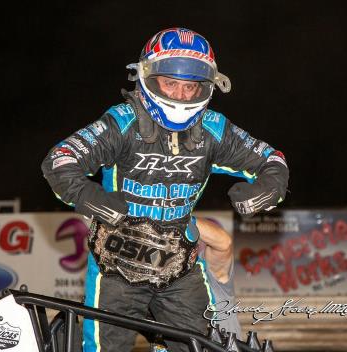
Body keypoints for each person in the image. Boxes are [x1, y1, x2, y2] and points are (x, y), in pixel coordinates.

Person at [41, 28, 289, 352]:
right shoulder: (122, 122)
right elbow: (59, 159)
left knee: (203, 347)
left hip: (180, 268)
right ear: (147, 76)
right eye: (171, 83)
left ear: (208, 86)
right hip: (116, 266)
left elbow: (274, 159)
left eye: (190, 86)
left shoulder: (212, 128)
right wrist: (91, 198)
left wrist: (271, 185)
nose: (181, 95)